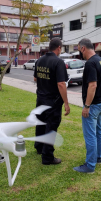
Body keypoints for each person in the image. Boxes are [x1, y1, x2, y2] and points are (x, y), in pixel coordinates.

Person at [73, 38, 101, 174]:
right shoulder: (100, 60)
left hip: (93, 105)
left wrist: (87, 106)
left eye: (78, 50)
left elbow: (93, 85)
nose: (79, 53)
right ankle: (97, 158)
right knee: (99, 131)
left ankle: (90, 165)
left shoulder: (90, 64)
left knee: (90, 135)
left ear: (83, 48)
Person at [34, 37, 70, 165]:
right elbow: (61, 83)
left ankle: (39, 147)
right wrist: (66, 102)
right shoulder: (58, 62)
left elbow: (35, 79)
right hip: (53, 101)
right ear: (59, 47)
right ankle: (47, 156)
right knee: (51, 126)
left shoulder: (39, 60)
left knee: (41, 123)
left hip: (40, 98)